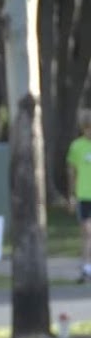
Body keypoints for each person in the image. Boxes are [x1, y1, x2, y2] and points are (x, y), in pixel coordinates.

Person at [65, 109, 91, 283]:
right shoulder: (77, 146)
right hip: (84, 195)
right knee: (87, 233)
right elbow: (72, 172)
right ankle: (87, 268)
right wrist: (72, 196)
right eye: (87, 128)